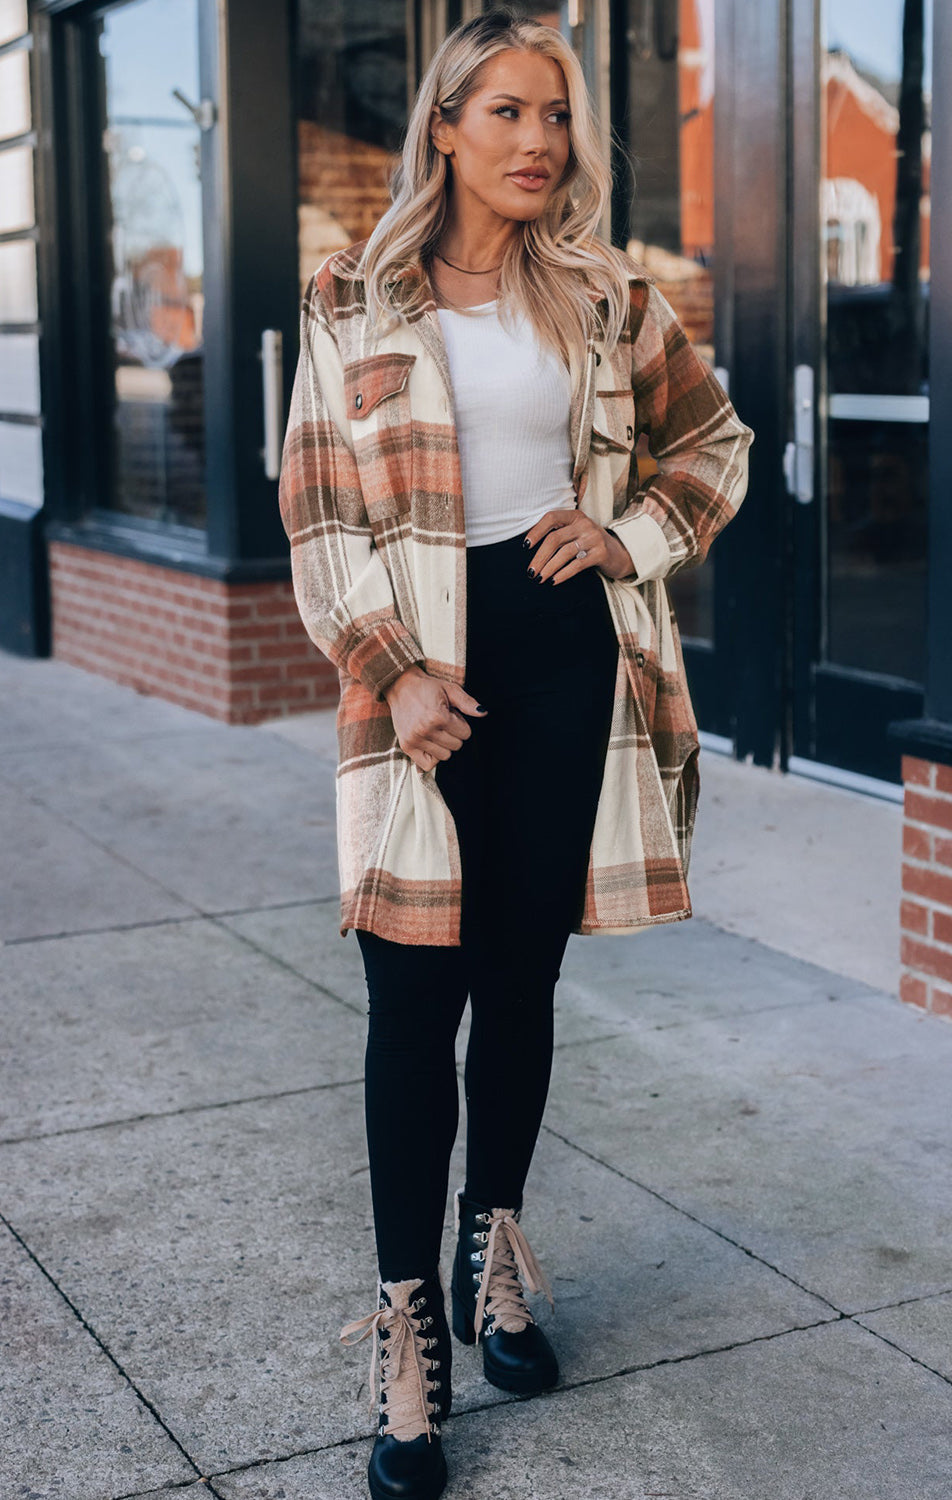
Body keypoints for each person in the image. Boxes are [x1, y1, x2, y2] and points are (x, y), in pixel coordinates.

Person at [278, 10, 753, 1499]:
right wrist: (391, 672)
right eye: (505, 111)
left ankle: (495, 1250)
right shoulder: (351, 294)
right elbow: (317, 514)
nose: (538, 139)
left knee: (520, 980)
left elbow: (714, 443)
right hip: (416, 676)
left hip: (561, 657)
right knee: (409, 1001)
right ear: (444, 127)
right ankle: (407, 1334)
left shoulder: (611, 297)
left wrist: (624, 533)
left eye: (556, 114)